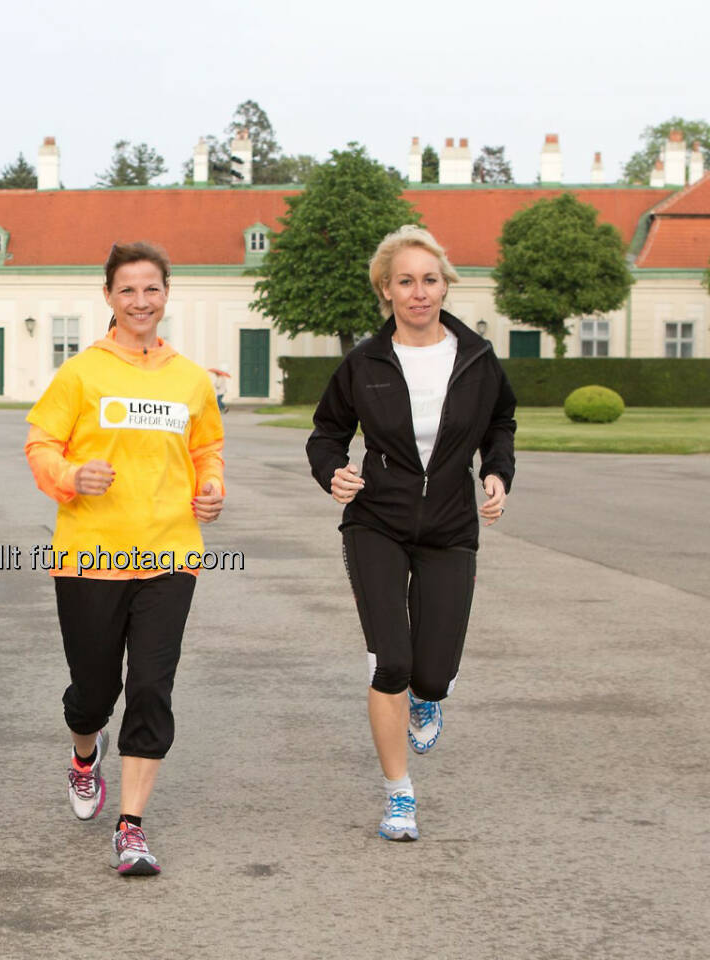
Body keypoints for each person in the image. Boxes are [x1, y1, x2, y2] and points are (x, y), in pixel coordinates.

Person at [306, 224, 515, 842]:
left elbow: (500, 422)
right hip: (376, 521)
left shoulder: (477, 357)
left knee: (432, 674)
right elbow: (327, 432)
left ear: (445, 285)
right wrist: (333, 472)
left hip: (450, 525)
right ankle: (399, 794)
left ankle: (429, 695)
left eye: (429, 279)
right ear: (387, 291)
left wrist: (497, 471)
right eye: (405, 282)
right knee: (390, 661)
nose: (419, 292)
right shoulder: (365, 362)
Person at [24, 242, 224, 876]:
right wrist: (70, 476)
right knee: (94, 693)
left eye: (152, 289)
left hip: (170, 555)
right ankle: (85, 755)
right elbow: (41, 444)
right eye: (128, 290)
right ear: (108, 296)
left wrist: (212, 487)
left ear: (167, 294)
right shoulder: (82, 373)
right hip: (90, 556)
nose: (141, 301)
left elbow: (207, 450)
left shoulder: (190, 379)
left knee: (150, 688)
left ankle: (131, 827)